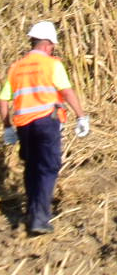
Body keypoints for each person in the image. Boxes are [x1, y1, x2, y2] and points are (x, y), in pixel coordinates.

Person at [0, 21, 89, 235]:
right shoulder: (52, 65)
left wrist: (7, 127)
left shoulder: (16, 67)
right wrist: (81, 116)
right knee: (48, 167)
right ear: (48, 44)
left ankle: (33, 214)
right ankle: (40, 218)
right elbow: (66, 92)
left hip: (24, 126)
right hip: (46, 122)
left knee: (31, 168)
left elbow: (3, 99)